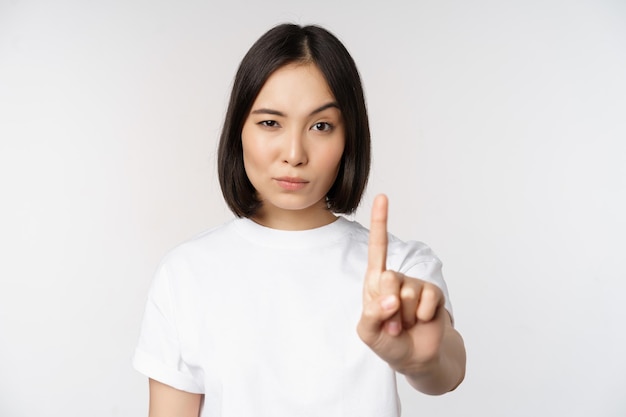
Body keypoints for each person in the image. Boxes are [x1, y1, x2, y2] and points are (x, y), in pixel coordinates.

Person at [133, 23, 466, 417]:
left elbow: (447, 369)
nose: (294, 153)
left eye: (321, 126)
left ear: (349, 138)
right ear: (238, 129)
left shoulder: (400, 270)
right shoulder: (185, 273)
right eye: (270, 122)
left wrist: (420, 360)